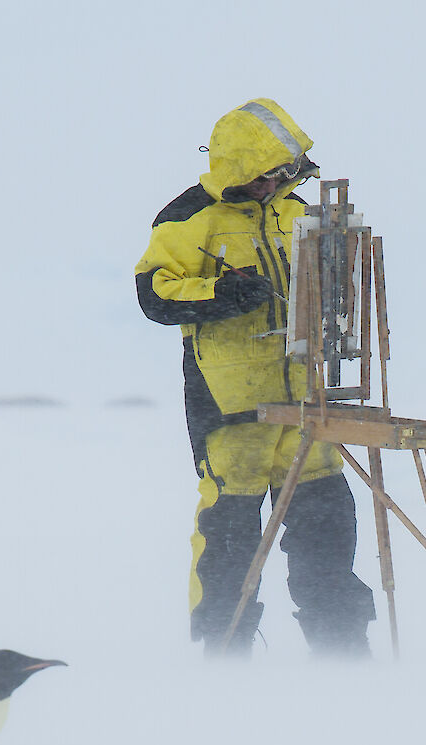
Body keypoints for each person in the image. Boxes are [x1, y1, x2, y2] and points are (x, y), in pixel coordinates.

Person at [132, 99, 376, 659]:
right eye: (270, 173)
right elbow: (154, 294)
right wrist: (221, 295)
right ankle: (226, 651)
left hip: (305, 404)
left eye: (287, 173)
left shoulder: (298, 215)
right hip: (232, 411)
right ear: (243, 168)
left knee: (327, 530)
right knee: (231, 541)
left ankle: (343, 652)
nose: (279, 183)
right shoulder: (189, 219)